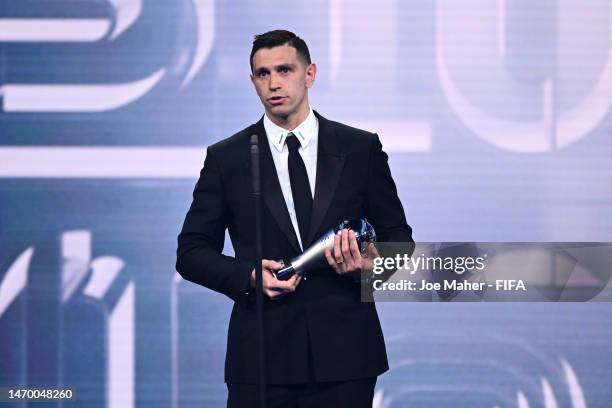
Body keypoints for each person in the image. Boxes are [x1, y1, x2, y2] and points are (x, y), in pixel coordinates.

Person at [176, 29, 413, 408]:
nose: (274, 83)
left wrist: (369, 266)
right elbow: (190, 252)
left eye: (284, 70)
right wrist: (250, 276)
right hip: (262, 359)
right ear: (252, 81)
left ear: (310, 73)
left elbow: (399, 239)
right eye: (263, 73)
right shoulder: (228, 158)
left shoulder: (359, 148)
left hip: (346, 356)